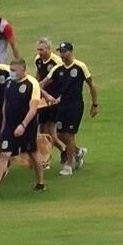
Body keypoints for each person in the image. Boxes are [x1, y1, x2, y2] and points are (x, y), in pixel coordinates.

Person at [0, 58, 46, 197]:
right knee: (4, 154)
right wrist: (4, 125)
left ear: (23, 70)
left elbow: (33, 108)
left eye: (14, 70)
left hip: (27, 126)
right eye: (10, 70)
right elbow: (6, 104)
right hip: (10, 125)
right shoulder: (9, 83)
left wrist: (23, 125)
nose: (11, 73)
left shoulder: (32, 84)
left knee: (32, 154)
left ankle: (40, 182)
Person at [41, 41, 99, 177]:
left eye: (65, 51)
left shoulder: (80, 67)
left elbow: (91, 85)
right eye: (61, 52)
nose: (62, 54)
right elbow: (43, 83)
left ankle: (69, 165)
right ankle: (77, 152)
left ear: (71, 52)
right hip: (61, 105)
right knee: (60, 134)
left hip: (75, 105)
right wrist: (42, 93)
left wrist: (95, 104)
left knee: (69, 134)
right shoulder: (58, 69)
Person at [33, 37, 64, 158]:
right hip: (42, 99)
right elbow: (38, 76)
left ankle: (68, 151)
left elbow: (62, 81)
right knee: (42, 130)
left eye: (42, 49)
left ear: (49, 49)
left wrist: (60, 97)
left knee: (50, 130)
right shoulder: (38, 60)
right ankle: (47, 156)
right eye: (38, 50)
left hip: (54, 99)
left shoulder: (56, 62)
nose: (39, 52)